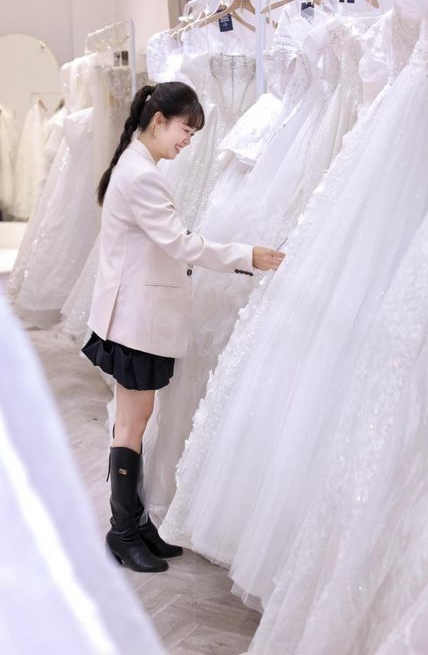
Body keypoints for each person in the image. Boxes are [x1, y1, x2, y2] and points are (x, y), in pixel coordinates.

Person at [82, 82, 285, 573]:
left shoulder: (135, 165)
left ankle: (133, 524)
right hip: (135, 317)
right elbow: (180, 244)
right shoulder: (141, 175)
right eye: (185, 131)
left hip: (132, 313)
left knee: (134, 420)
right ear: (159, 121)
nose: (188, 141)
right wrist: (245, 255)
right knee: (133, 422)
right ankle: (122, 531)